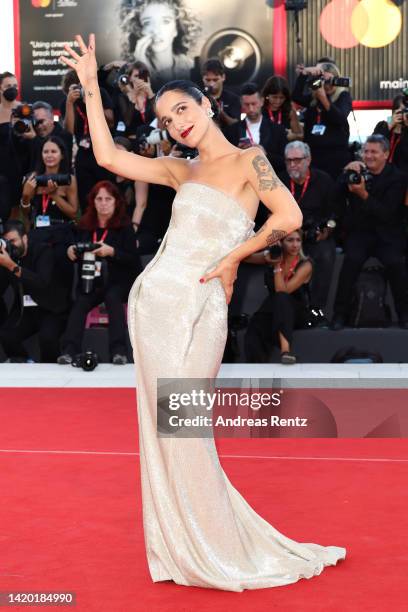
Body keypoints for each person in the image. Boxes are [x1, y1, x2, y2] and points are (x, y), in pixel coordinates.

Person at [59, 33, 345, 591]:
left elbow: (286, 217)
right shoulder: (178, 170)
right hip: (155, 303)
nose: (176, 124)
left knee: (186, 427)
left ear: (209, 105)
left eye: (182, 110)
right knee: (165, 430)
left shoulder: (250, 160)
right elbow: (107, 156)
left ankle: (215, 544)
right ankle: (183, 545)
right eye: (166, 120)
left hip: (203, 302)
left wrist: (235, 256)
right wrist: (91, 89)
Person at [57, 180, 141, 365]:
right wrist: (71, 252)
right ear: (93, 201)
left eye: (108, 199)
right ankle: (70, 351)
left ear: (115, 202)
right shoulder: (85, 226)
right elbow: (74, 250)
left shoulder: (124, 227)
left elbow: (133, 260)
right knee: (81, 302)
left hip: (118, 281)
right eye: (99, 199)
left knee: (112, 297)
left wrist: (112, 252)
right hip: (92, 281)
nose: (103, 203)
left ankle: (119, 352)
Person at [331, 135, 408, 330]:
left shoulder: (397, 178)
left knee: (396, 264)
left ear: (386, 154)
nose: (369, 156)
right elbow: (335, 194)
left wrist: (363, 195)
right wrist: (346, 172)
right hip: (361, 233)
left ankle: (404, 315)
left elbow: (387, 214)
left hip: (388, 235)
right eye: (366, 151)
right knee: (350, 263)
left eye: (374, 152)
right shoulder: (357, 171)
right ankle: (340, 315)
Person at [279, 141, 338, 319]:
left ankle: (316, 309)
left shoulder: (323, 180)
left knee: (326, 254)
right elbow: (270, 213)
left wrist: (327, 229)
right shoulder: (279, 181)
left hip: (315, 235)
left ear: (308, 159)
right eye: (289, 161)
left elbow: (335, 214)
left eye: (297, 160)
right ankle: (284, 310)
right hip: (287, 234)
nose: (293, 165)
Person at [0, 220, 69, 362]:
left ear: (24, 238)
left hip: (51, 308)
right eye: (6, 242)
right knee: (6, 334)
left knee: (47, 338)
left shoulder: (43, 251)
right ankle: (23, 361)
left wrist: (12, 266)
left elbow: (41, 282)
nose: (10, 246)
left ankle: (49, 371)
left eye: (13, 241)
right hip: (26, 310)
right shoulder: (7, 257)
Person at [244, 230, 313, 364]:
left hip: (297, 310)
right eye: (290, 240)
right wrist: (264, 248)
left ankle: (285, 351)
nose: (295, 245)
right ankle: (256, 366)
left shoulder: (306, 265)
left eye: (298, 240)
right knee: (256, 324)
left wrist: (276, 266)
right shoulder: (272, 255)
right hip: (274, 307)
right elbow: (245, 257)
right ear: (281, 243)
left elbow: (283, 290)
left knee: (281, 298)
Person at [60, 69, 115, 210]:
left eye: (81, 85)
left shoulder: (99, 93)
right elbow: (68, 131)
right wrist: (70, 103)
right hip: (82, 153)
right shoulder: (67, 102)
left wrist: (91, 101)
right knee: (86, 196)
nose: (80, 89)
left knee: (106, 189)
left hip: (102, 147)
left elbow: (110, 121)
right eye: (75, 87)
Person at [292, 62, 352, 179]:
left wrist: (323, 97)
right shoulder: (314, 99)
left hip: (335, 159)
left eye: (330, 80)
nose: (327, 85)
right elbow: (296, 97)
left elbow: (339, 118)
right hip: (314, 157)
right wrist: (304, 75)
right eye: (324, 80)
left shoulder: (343, 96)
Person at [120, 0, 201, 87]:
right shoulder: (128, 75)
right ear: (140, 30)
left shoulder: (193, 68)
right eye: (147, 23)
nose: (156, 31)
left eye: (165, 21)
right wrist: (142, 72)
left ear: (176, 28)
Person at [224, 82, 287, 172]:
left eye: (254, 104)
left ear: (262, 101)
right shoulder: (231, 131)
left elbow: (284, 163)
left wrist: (265, 154)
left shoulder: (277, 130)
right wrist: (238, 153)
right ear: (241, 104)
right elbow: (226, 162)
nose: (251, 109)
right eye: (247, 104)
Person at [20, 136, 78, 229]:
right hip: (38, 231)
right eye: (45, 152)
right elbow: (25, 213)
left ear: (62, 155)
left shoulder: (69, 180)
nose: (49, 155)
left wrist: (53, 195)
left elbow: (74, 214)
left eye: (53, 151)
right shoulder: (33, 178)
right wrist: (25, 196)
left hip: (62, 230)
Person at [0, 71, 21, 221]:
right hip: (1, 170)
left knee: (18, 210)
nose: (12, 88)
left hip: (21, 167)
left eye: (15, 85)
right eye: (8, 86)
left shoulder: (25, 109)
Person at [201, 58, 241, 128]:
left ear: (223, 77)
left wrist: (219, 111)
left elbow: (236, 125)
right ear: (203, 79)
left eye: (215, 80)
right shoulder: (197, 98)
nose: (211, 84)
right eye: (208, 80)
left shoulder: (233, 99)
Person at [373, 94, 408, 175]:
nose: (404, 115)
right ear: (394, 111)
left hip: (402, 178)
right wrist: (390, 125)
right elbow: (373, 145)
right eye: (402, 111)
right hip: (381, 175)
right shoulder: (382, 126)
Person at [261, 75, 304, 141]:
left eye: (281, 98)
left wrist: (292, 136)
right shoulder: (260, 110)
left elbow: (299, 136)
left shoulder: (290, 111)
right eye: (274, 97)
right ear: (267, 95)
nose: (278, 101)